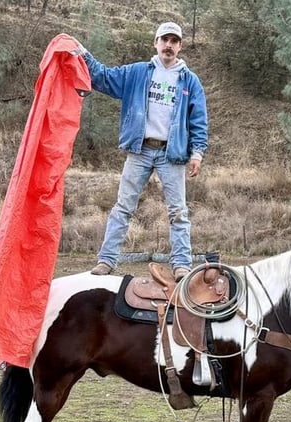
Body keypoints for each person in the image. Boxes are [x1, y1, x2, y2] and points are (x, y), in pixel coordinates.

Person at [80, 22, 208, 280]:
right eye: (164, 40)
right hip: (139, 150)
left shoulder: (189, 81)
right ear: (156, 42)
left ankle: (182, 265)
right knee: (123, 206)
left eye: (174, 41)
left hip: (171, 154)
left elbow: (199, 120)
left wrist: (197, 153)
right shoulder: (138, 72)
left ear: (180, 46)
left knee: (178, 212)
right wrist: (84, 55)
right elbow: (104, 78)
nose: (168, 45)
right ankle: (106, 260)